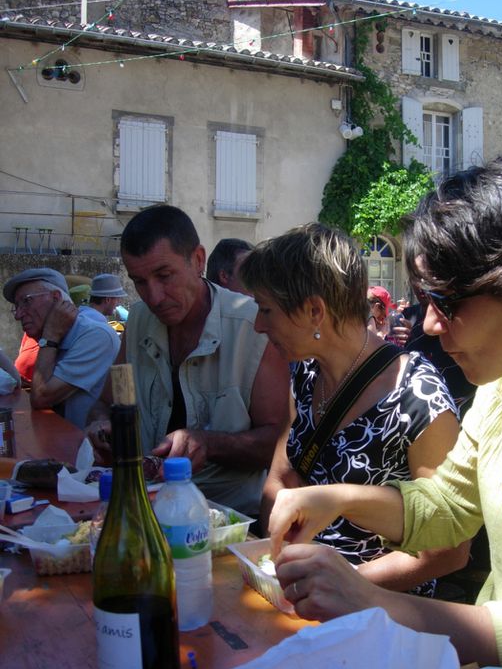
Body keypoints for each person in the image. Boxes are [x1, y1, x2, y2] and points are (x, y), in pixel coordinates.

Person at [267, 157, 502, 669]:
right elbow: (449, 507)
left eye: (447, 301)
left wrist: (373, 602)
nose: (429, 322)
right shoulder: (501, 393)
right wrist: (337, 498)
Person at [240, 223, 469, 595]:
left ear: (315, 310)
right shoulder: (305, 371)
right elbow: (281, 479)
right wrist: (281, 558)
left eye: (266, 309)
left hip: (378, 614)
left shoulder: (416, 395)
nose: (257, 325)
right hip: (299, 597)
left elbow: (447, 551)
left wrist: (341, 585)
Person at [87, 206, 289, 517]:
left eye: (164, 276)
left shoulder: (253, 326)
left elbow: (278, 444)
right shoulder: (138, 319)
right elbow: (105, 402)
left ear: (198, 260)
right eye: (139, 281)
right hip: (146, 509)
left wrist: (207, 443)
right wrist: (100, 425)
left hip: (228, 523)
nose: (153, 296)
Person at [3, 267, 121, 428]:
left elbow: (41, 397)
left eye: (27, 301)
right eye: (17, 306)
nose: (18, 315)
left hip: (93, 449)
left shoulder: (95, 335)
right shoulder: (61, 336)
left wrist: (50, 336)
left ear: (56, 299)